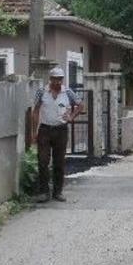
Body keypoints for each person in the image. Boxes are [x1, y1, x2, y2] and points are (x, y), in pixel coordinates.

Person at [32, 67, 83, 202]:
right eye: (55, 79)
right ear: (50, 79)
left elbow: (80, 105)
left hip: (61, 130)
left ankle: (58, 192)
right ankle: (44, 192)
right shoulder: (42, 91)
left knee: (59, 162)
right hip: (44, 130)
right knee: (43, 161)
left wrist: (72, 116)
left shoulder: (68, 92)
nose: (58, 82)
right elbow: (36, 110)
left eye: (60, 79)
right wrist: (34, 131)